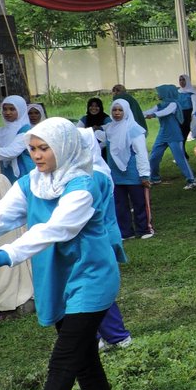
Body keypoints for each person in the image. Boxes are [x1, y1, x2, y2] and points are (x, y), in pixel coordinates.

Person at [0, 118, 123, 390]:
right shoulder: (32, 183)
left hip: (91, 278)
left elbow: (56, 229)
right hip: (58, 279)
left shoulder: (82, 185)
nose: (36, 155)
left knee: (65, 358)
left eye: (44, 148)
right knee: (83, 357)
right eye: (33, 149)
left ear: (64, 147)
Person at [79, 127, 133, 353]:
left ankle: (117, 336)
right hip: (92, 238)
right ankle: (100, 335)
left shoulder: (95, 175)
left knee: (96, 286)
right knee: (85, 288)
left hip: (97, 238)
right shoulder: (86, 172)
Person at [103, 100, 153, 240]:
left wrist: (144, 174)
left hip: (133, 172)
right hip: (116, 174)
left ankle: (144, 229)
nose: (117, 113)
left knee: (139, 202)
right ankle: (126, 232)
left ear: (126, 111)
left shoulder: (134, 129)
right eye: (114, 110)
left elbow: (141, 153)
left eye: (120, 110)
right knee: (120, 204)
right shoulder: (109, 129)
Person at [144, 84, 196, 189]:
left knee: (180, 159)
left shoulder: (174, 104)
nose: (158, 95)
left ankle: (192, 180)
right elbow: (149, 111)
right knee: (154, 157)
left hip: (174, 135)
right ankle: (155, 178)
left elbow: (165, 112)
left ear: (166, 93)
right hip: (163, 134)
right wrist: (136, 114)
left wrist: (154, 115)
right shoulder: (160, 105)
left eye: (160, 93)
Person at [0, 96, 34, 182]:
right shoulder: (0, 132)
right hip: (7, 171)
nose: (7, 112)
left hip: (25, 172)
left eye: (12, 109)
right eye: (5, 109)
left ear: (21, 110)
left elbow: (11, 152)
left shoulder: (25, 130)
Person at [177, 75, 196, 140]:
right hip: (181, 115)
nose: (181, 81)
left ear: (187, 81)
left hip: (190, 114)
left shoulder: (192, 92)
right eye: (180, 80)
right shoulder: (178, 92)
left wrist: (193, 115)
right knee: (182, 134)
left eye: (183, 80)